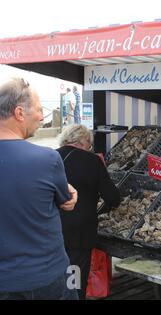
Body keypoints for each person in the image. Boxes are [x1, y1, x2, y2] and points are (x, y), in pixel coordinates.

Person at [0, 78, 79, 300]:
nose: (41, 116)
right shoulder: (48, 159)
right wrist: (70, 192)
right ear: (18, 113)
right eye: (38, 109)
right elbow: (66, 202)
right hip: (46, 280)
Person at [57, 124, 121, 300]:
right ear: (84, 142)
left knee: (55, 277)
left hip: (51, 229)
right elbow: (112, 197)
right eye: (89, 145)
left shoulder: (51, 157)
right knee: (75, 279)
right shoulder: (92, 161)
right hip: (79, 232)